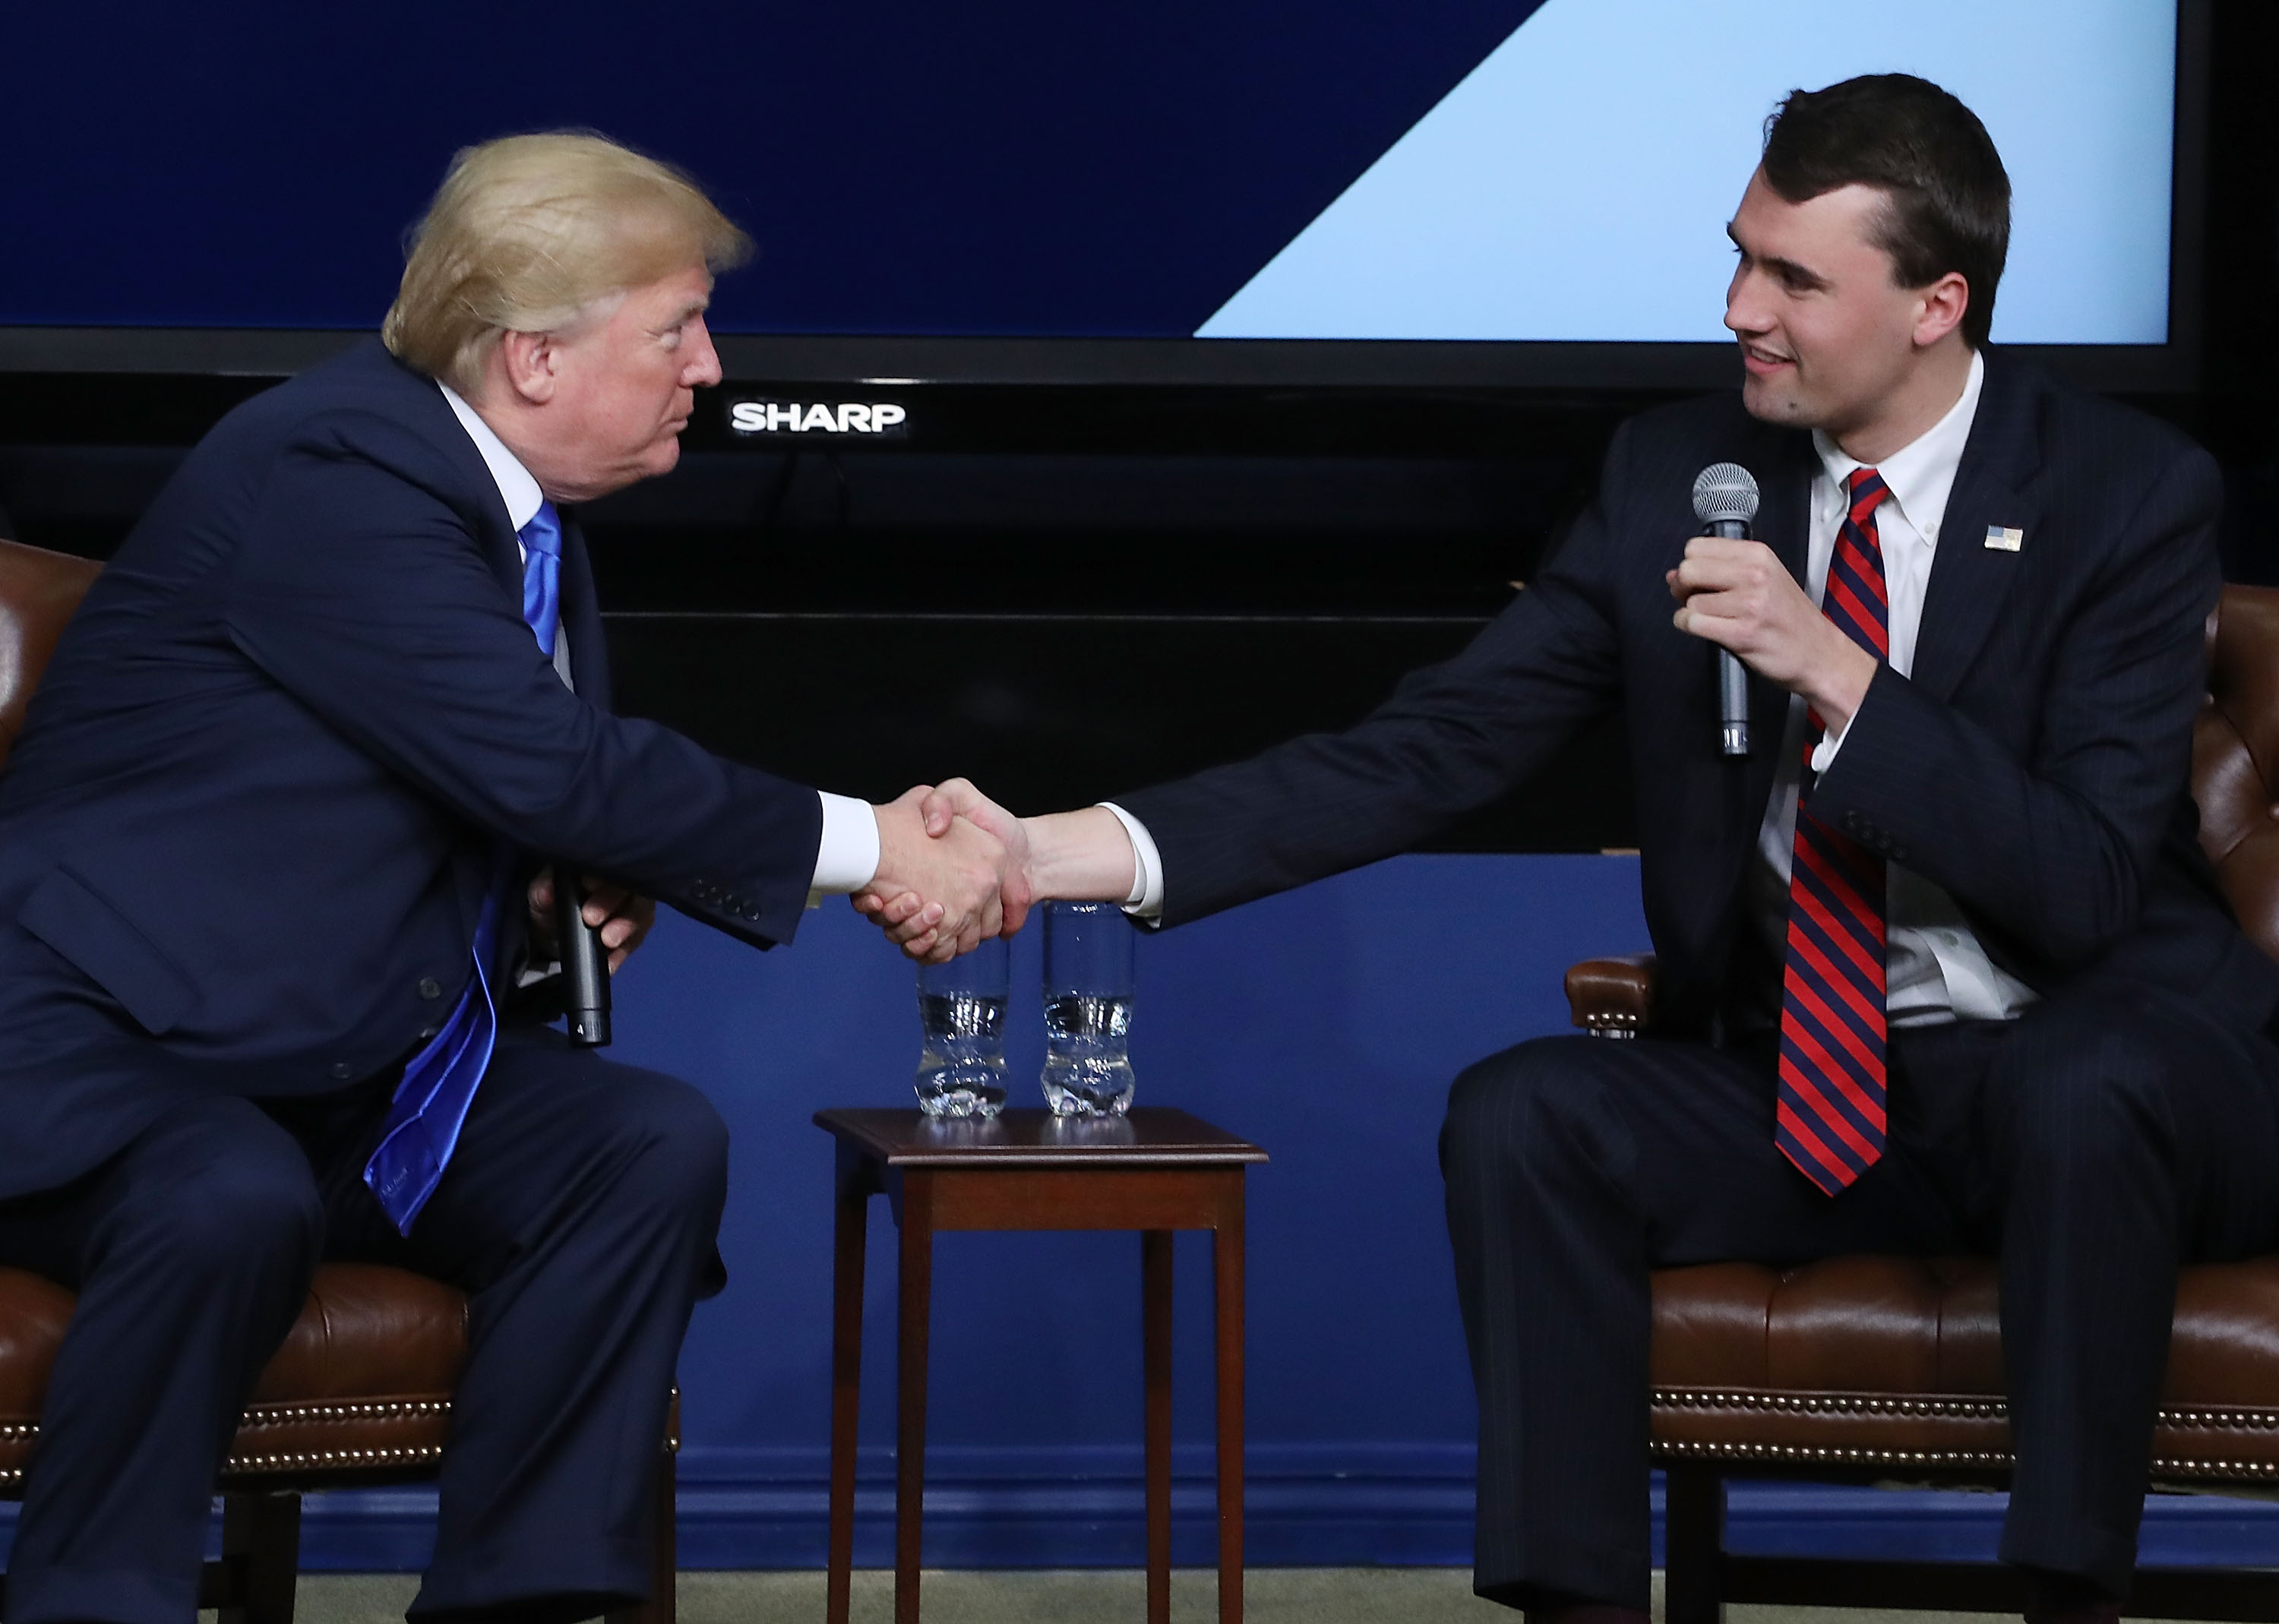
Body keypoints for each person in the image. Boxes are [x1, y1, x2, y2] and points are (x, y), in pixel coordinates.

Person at [865, 74, 2279, 1624]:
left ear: (1938, 302)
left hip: (2092, 1076)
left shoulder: (2123, 493)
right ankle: (1577, 1605)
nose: (1742, 307)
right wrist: (1044, 852)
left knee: (2086, 1086)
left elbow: (2081, 883)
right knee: (1529, 1111)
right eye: (1740, 255)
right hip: (1819, 1084)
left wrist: (1838, 674)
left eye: (1796, 278)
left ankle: (2065, 1597)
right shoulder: (1670, 477)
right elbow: (1421, 751)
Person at [0, 131, 1012, 1624]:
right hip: (97, 1051)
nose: (711, 369)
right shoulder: (334, 467)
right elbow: (549, 765)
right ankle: (95, 1601)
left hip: (322, 1059)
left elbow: (473, 785)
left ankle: (521, 1598)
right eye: (675, 328)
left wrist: (562, 885)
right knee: (225, 1186)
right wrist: (881, 843)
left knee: (636, 1143)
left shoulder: (514, 518)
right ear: (533, 358)